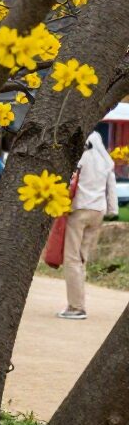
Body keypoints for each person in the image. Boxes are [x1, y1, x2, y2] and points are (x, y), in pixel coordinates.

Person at [60, 126, 119, 319]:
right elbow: (111, 185)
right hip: (98, 211)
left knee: (72, 259)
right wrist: (113, 210)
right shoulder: (105, 160)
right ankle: (78, 303)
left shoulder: (80, 158)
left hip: (79, 210)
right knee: (81, 258)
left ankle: (76, 307)